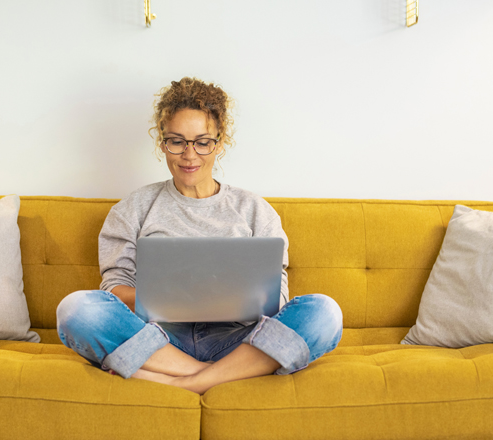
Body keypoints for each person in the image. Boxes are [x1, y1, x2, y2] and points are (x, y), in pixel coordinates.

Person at [56, 77, 343, 394]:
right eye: (176, 141)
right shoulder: (133, 209)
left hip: (238, 340)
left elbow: (279, 301)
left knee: (325, 312)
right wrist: (171, 299)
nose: (188, 155)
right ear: (162, 142)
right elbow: (114, 290)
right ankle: (219, 376)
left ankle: (184, 381)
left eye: (202, 142)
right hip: (159, 340)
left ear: (220, 142)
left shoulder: (254, 210)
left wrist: (233, 300)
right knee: (75, 309)